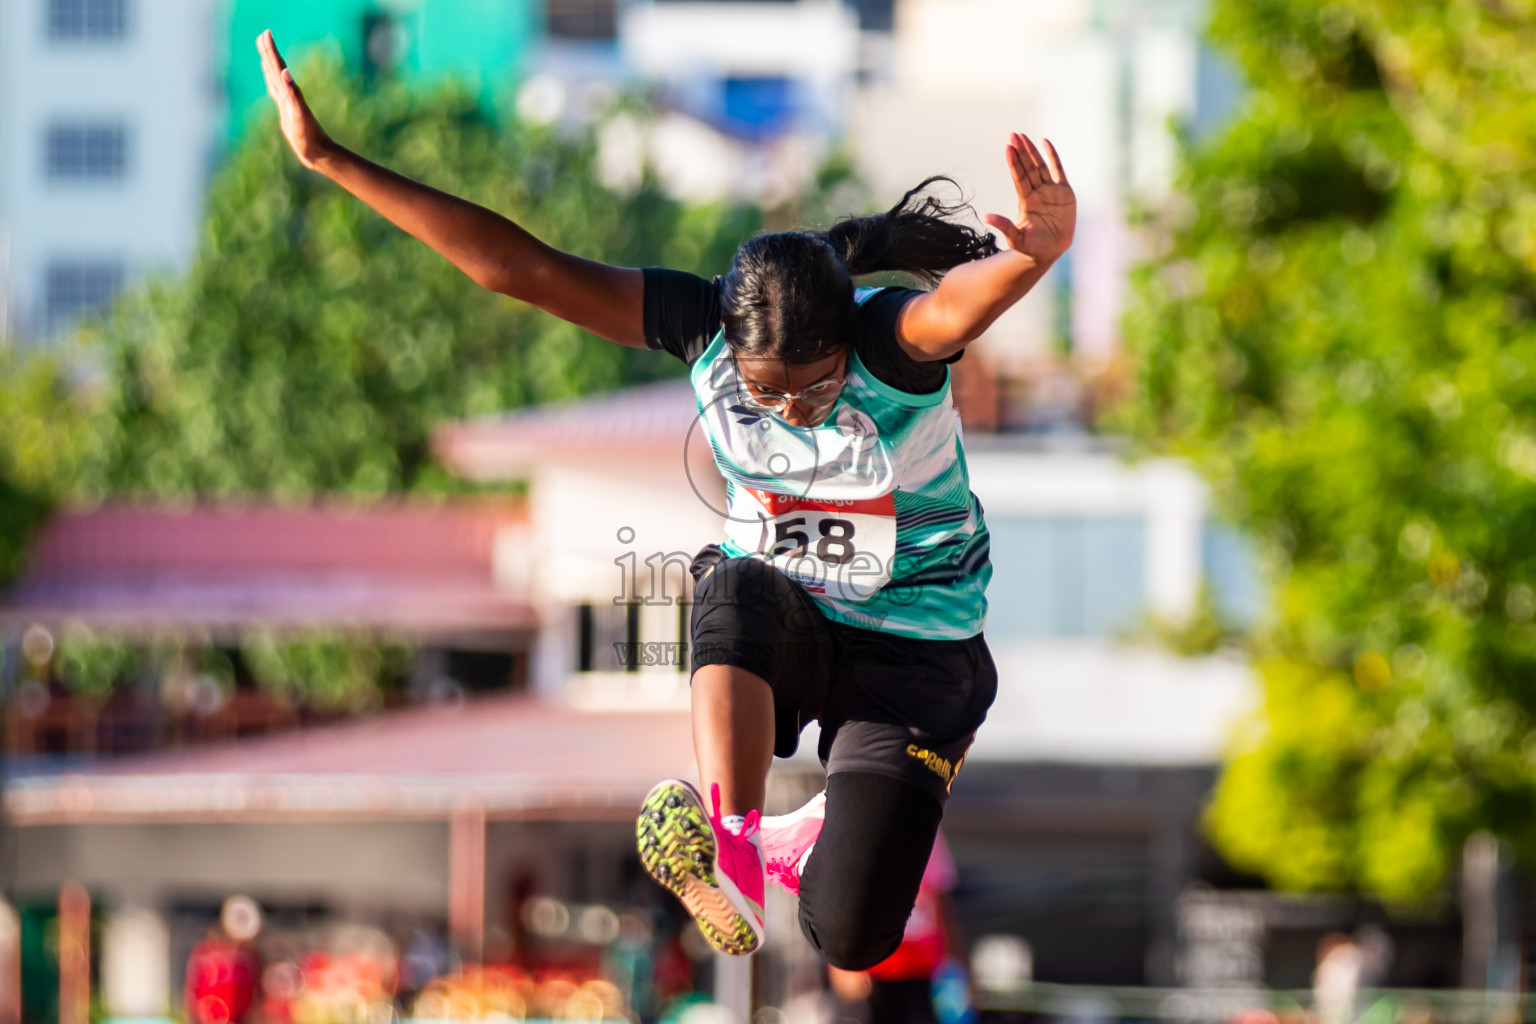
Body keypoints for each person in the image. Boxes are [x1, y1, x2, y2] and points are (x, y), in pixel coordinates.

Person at [255, 29, 1075, 967]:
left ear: (846, 342)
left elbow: (957, 304)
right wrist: (329, 159)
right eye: (768, 394)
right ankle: (731, 840)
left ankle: (788, 843)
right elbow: (515, 267)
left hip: (919, 658)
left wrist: (1031, 261)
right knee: (729, 582)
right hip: (793, 619)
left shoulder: (889, 341)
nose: (793, 413)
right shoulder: (702, 329)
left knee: (850, 937)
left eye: (813, 389)